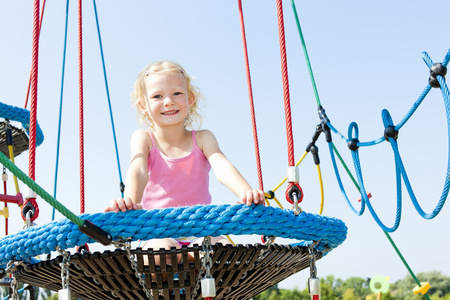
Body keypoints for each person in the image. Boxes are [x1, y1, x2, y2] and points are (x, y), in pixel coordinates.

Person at [104, 60, 265, 264]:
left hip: (200, 230)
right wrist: (130, 201)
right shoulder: (144, 139)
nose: (168, 101)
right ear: (143, 105)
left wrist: (246, 192)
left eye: (177, 93)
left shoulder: (203, 138)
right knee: (159, 253)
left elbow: (221, 166)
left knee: (223, 252)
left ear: (190, 99)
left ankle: (207, 290)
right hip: (157, 231)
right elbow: (138, 170)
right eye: (157, 96)